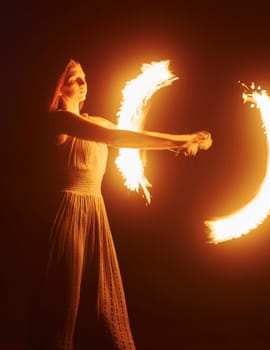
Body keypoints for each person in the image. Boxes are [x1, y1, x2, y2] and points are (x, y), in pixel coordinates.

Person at [31, 59, 212, 350]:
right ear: (59, 86)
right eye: (74, 79)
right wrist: (180, 140)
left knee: (102, 305)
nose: (82, 84)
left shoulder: (97, 122)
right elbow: (118, 136)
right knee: (62, 308)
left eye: (84, 78)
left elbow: (131, 141)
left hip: (95, 214)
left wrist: (180, 141)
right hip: (67, 215)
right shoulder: (59, 122)